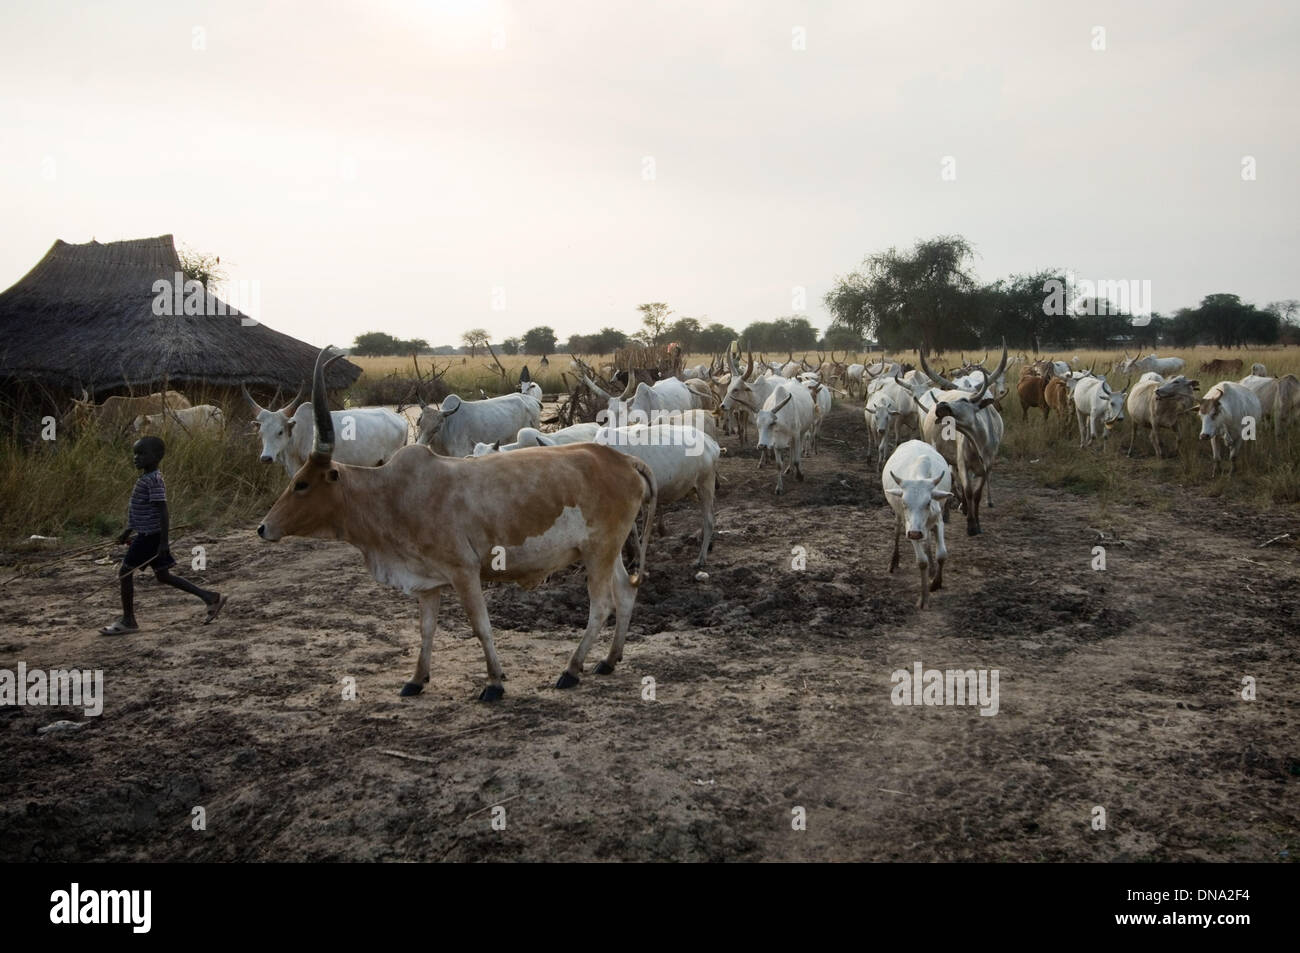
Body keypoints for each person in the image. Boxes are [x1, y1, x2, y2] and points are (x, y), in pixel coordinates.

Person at [99, 435, 226, 634]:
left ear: (157, 456)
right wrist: (128, 530)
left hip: (150, 537)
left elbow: (162, 511)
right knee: (164, 576)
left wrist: (164, 542)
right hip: (148, 534)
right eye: (135, 454)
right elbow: (141, 510)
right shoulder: (146, 478)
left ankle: (128, 620)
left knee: (124, 572)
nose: (136, 458)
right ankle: (210, 597)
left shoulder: (154, 480)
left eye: (141, 453)